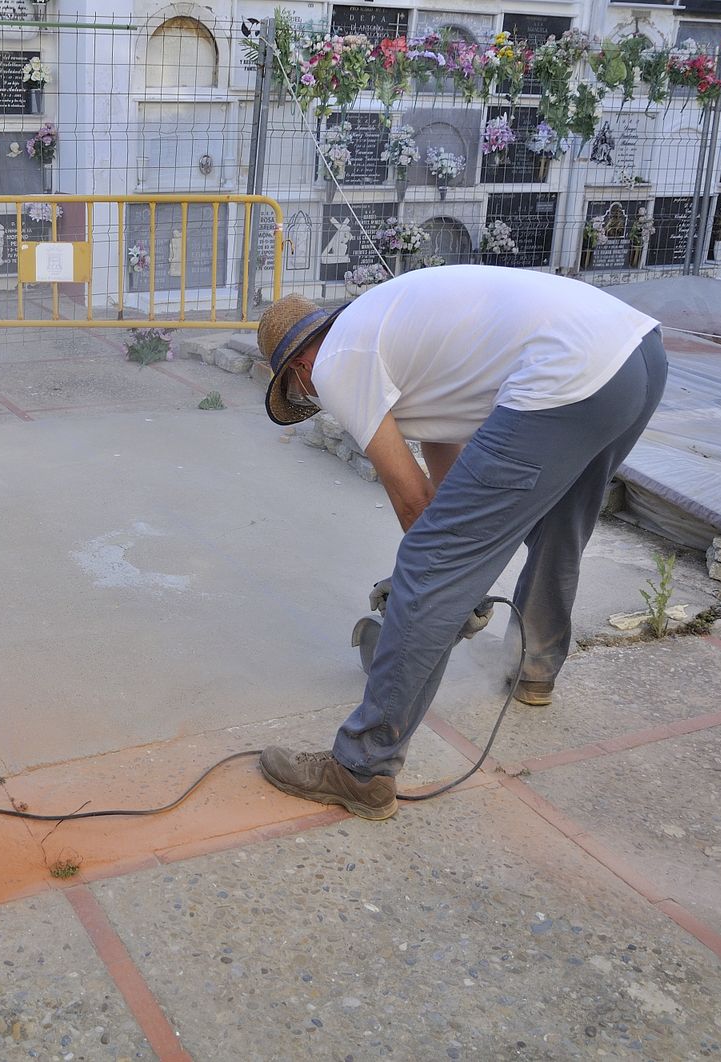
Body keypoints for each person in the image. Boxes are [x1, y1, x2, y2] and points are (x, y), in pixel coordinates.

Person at [255, 265, 667, 821]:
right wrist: (460, 578)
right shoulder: (396, 338)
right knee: (559, 526)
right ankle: (532, 668)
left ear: (300, 365)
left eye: (299, 389)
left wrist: (441, 589)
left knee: (429, 566)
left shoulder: (335, 363)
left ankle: (361, 768)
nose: (311, 396)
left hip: (568, 371)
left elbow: (412, 504)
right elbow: (445, 478)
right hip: (635, 353)